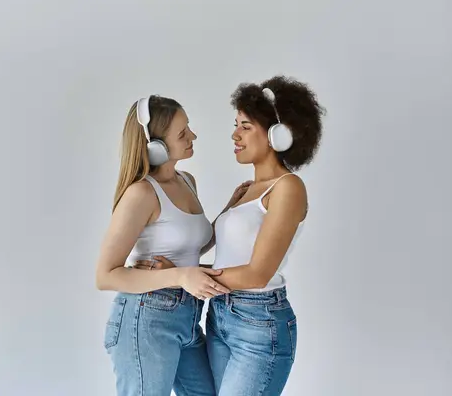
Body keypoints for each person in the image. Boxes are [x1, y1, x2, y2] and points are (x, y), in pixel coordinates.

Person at [135, 76, 325, 395]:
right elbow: (232, 256)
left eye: (246, 126)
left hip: (259, 320)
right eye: (236, 124)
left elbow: (257, 273)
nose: (234, 134)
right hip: (220, 314)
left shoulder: (289, 188)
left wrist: (182, 276)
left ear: (277, 134)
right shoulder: (247, 191)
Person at [95, 94, 243, 396]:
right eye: (182, 133)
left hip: (187, 317)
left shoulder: (186, 180)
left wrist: (230, 210)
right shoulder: (140, 194)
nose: (193, 136)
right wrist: (177, 276)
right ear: (155, 146)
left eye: (188, 128)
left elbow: (189, 246)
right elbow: (105, 275)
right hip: (146, 320)